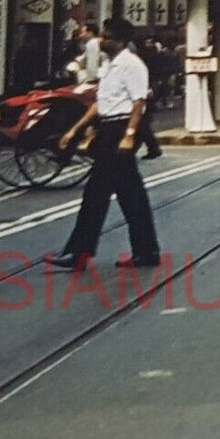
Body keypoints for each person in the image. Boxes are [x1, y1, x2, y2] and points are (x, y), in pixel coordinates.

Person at [51, 18, 162, 271]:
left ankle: (78, 253)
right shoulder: (110, 66)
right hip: (109, 127)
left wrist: (130, 135)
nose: (102, 40)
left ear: (121, 41)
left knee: (97, 193)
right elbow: (100, 104)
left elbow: (138, 103)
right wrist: (75, 130)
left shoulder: (132, 65)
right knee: (131, 195)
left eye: (107, 36)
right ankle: (146, 252)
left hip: (121, 129)